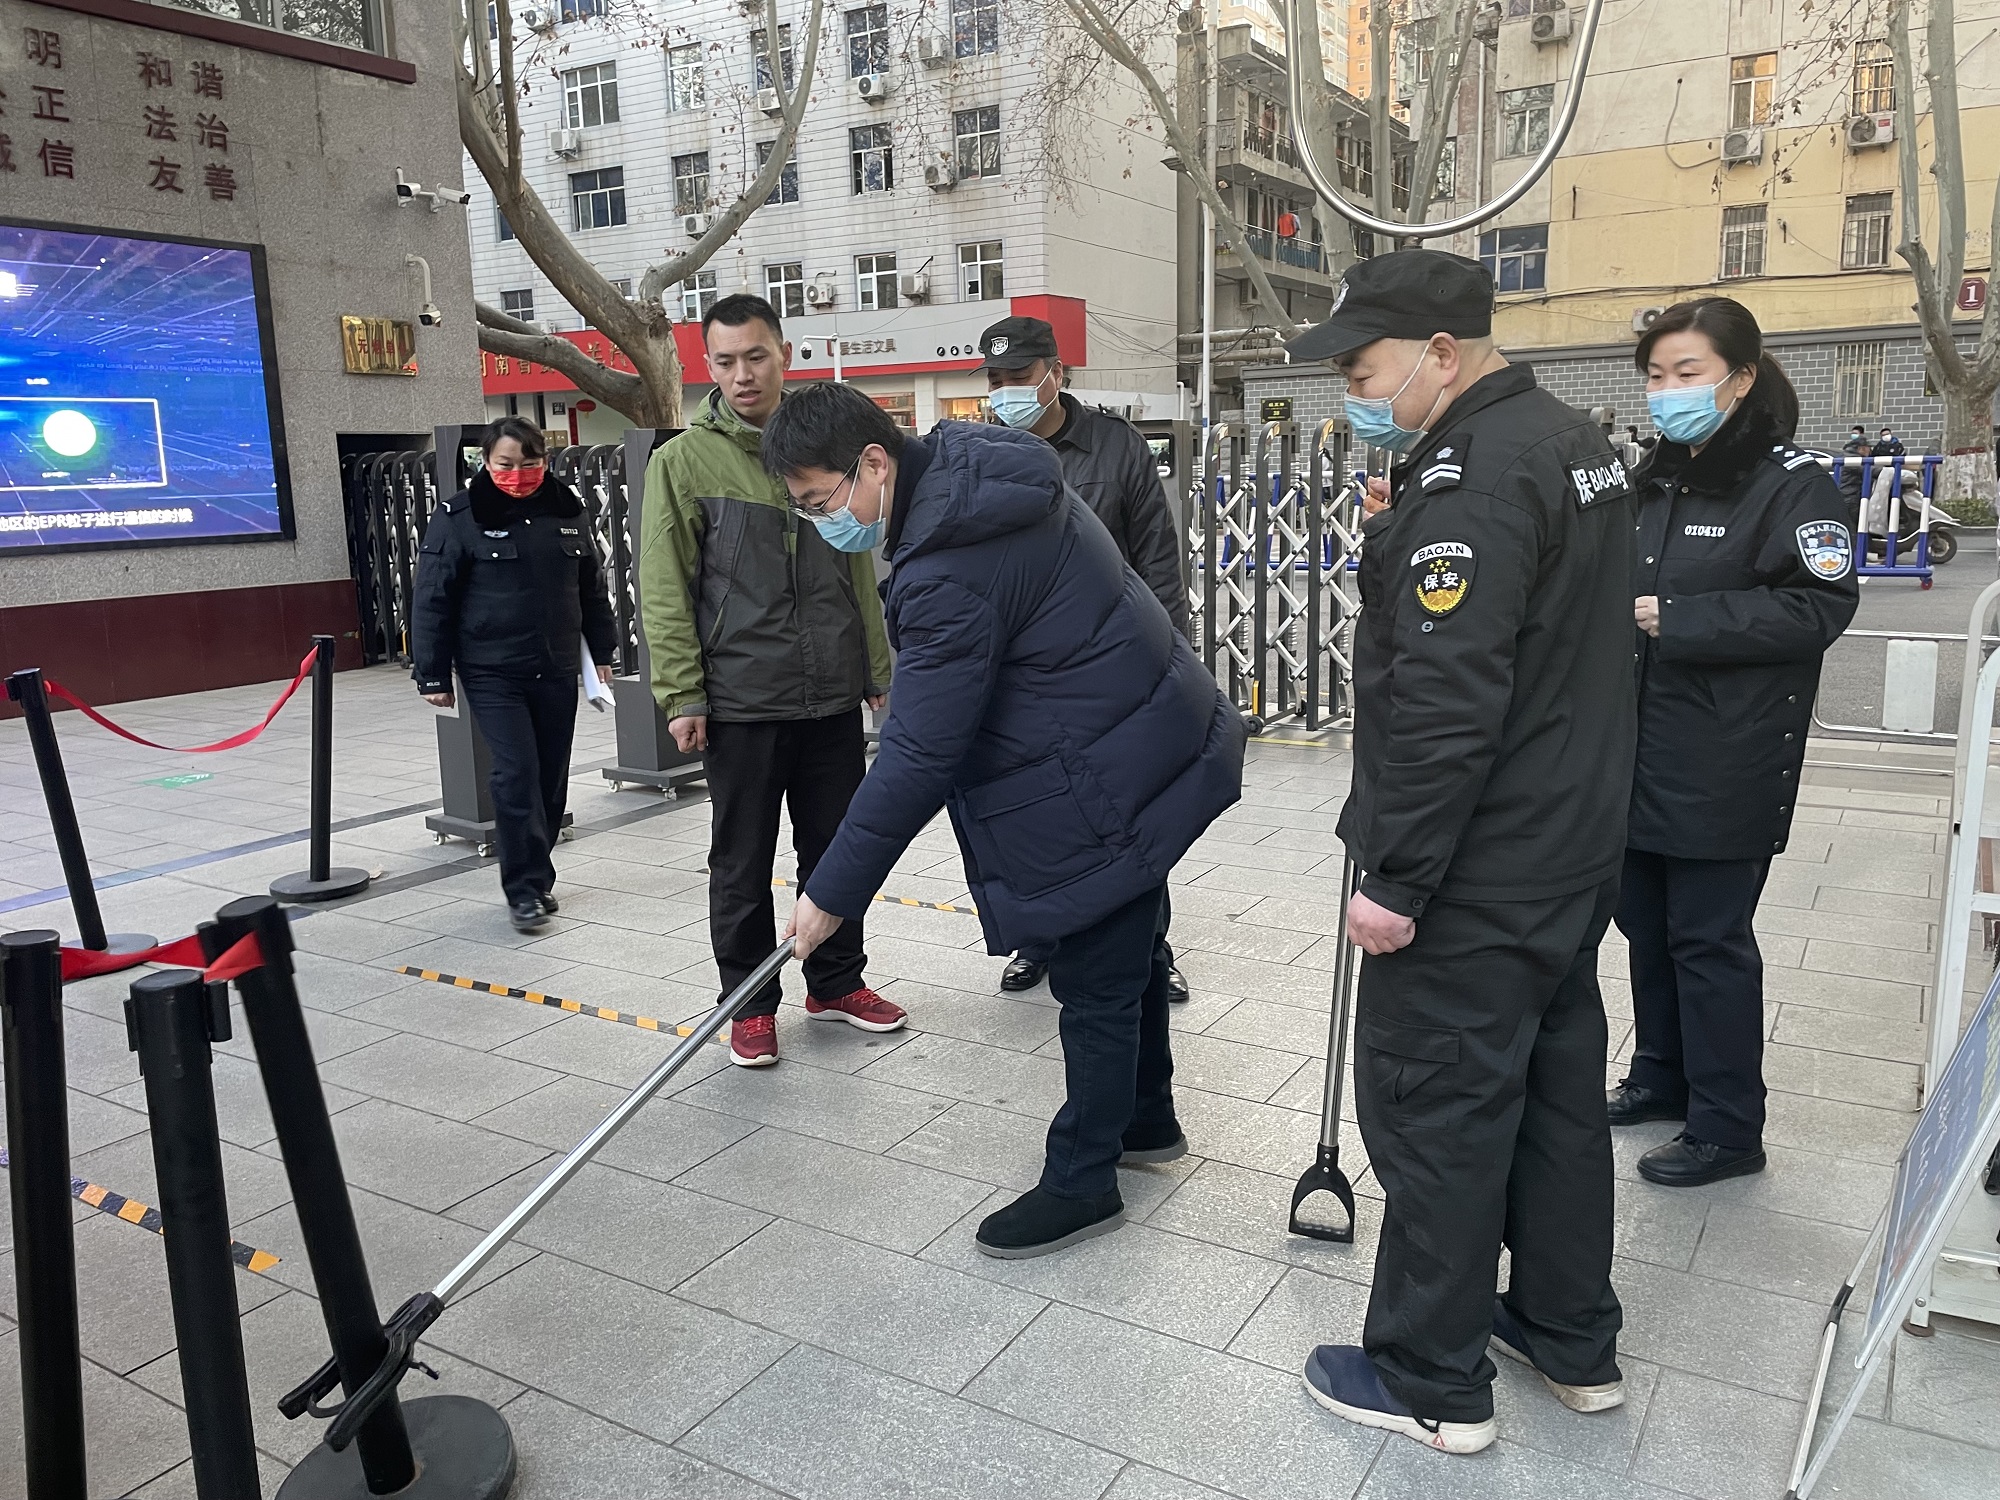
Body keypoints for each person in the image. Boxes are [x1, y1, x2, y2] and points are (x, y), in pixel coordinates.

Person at [762, 383, 1245, 1259]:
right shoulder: (977, 472)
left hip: (1096, 769)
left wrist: (829, 893)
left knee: (1095, 981)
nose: (822, 522)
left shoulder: (948, 564)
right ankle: (1146, 1120)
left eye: (820, 501)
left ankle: (1084, 1180)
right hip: (1141, 733)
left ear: (874, 463)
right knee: (1130, 949)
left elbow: (918, 751)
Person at [1286, 250, 1636, 1455]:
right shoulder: (1570, 441)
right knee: (1551, 1101)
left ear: (1440, 353)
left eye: (1362, 372)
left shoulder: (1470, 479)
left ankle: (1427, 1376)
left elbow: (1445, 701)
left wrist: (1394, 877)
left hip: (1476, 870)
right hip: (1565, 845)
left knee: (1436, 1107)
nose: (1353, 395)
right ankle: (1565, 1334)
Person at [1610, 297, 1858, 1186]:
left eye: (1688, 373)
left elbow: (1819, 607)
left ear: (1741, 378)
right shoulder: (1653, 477)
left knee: (1708, 938)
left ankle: (1727, 1125)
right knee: (1645, 925)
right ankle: (1660, 1076)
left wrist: (1684, 618)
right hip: (1638, 746)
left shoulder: (1792, 484)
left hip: (1727, 754)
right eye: (1656, 375)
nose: (1668, 391)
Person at [637, 293, 906, 1068]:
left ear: (784, 354)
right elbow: (664, 586)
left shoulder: (823, 444)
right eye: (725, 361)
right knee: (741, 863)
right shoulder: (682, 462)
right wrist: (682, 694)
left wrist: (875, 665)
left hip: (830, 696)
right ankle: (749, 1004)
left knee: (837, 850)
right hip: (741, 700)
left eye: (756, 356)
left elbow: (856, 564)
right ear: (708, 366)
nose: (743, 374)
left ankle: (837, 982)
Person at [978, 314, 1192, 1005]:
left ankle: (1151, 949)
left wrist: (1173, 660)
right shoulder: (983, 453)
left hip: (1111, 671)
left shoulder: (1116, 446)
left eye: (1018, 376)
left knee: (1131, 820)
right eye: (995, 380)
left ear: (1056, 373)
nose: (1005, 391)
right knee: (1036, 821)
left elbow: (1157, 558)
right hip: (1023, 681)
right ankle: (1039, 942)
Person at [411, 418, 618, 932]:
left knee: (550, 776)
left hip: (556, 665)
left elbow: (591, 587)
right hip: (492, 670)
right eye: (505, 464)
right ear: (485, 462)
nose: (518, 474)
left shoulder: (567, 510)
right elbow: (433, 597)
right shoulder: (460, 517)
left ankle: (539, 877)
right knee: (516, 773)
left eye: (529, 463)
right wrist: (432, 674)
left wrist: (604, 651)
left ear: (544, 461)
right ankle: (522, 890)